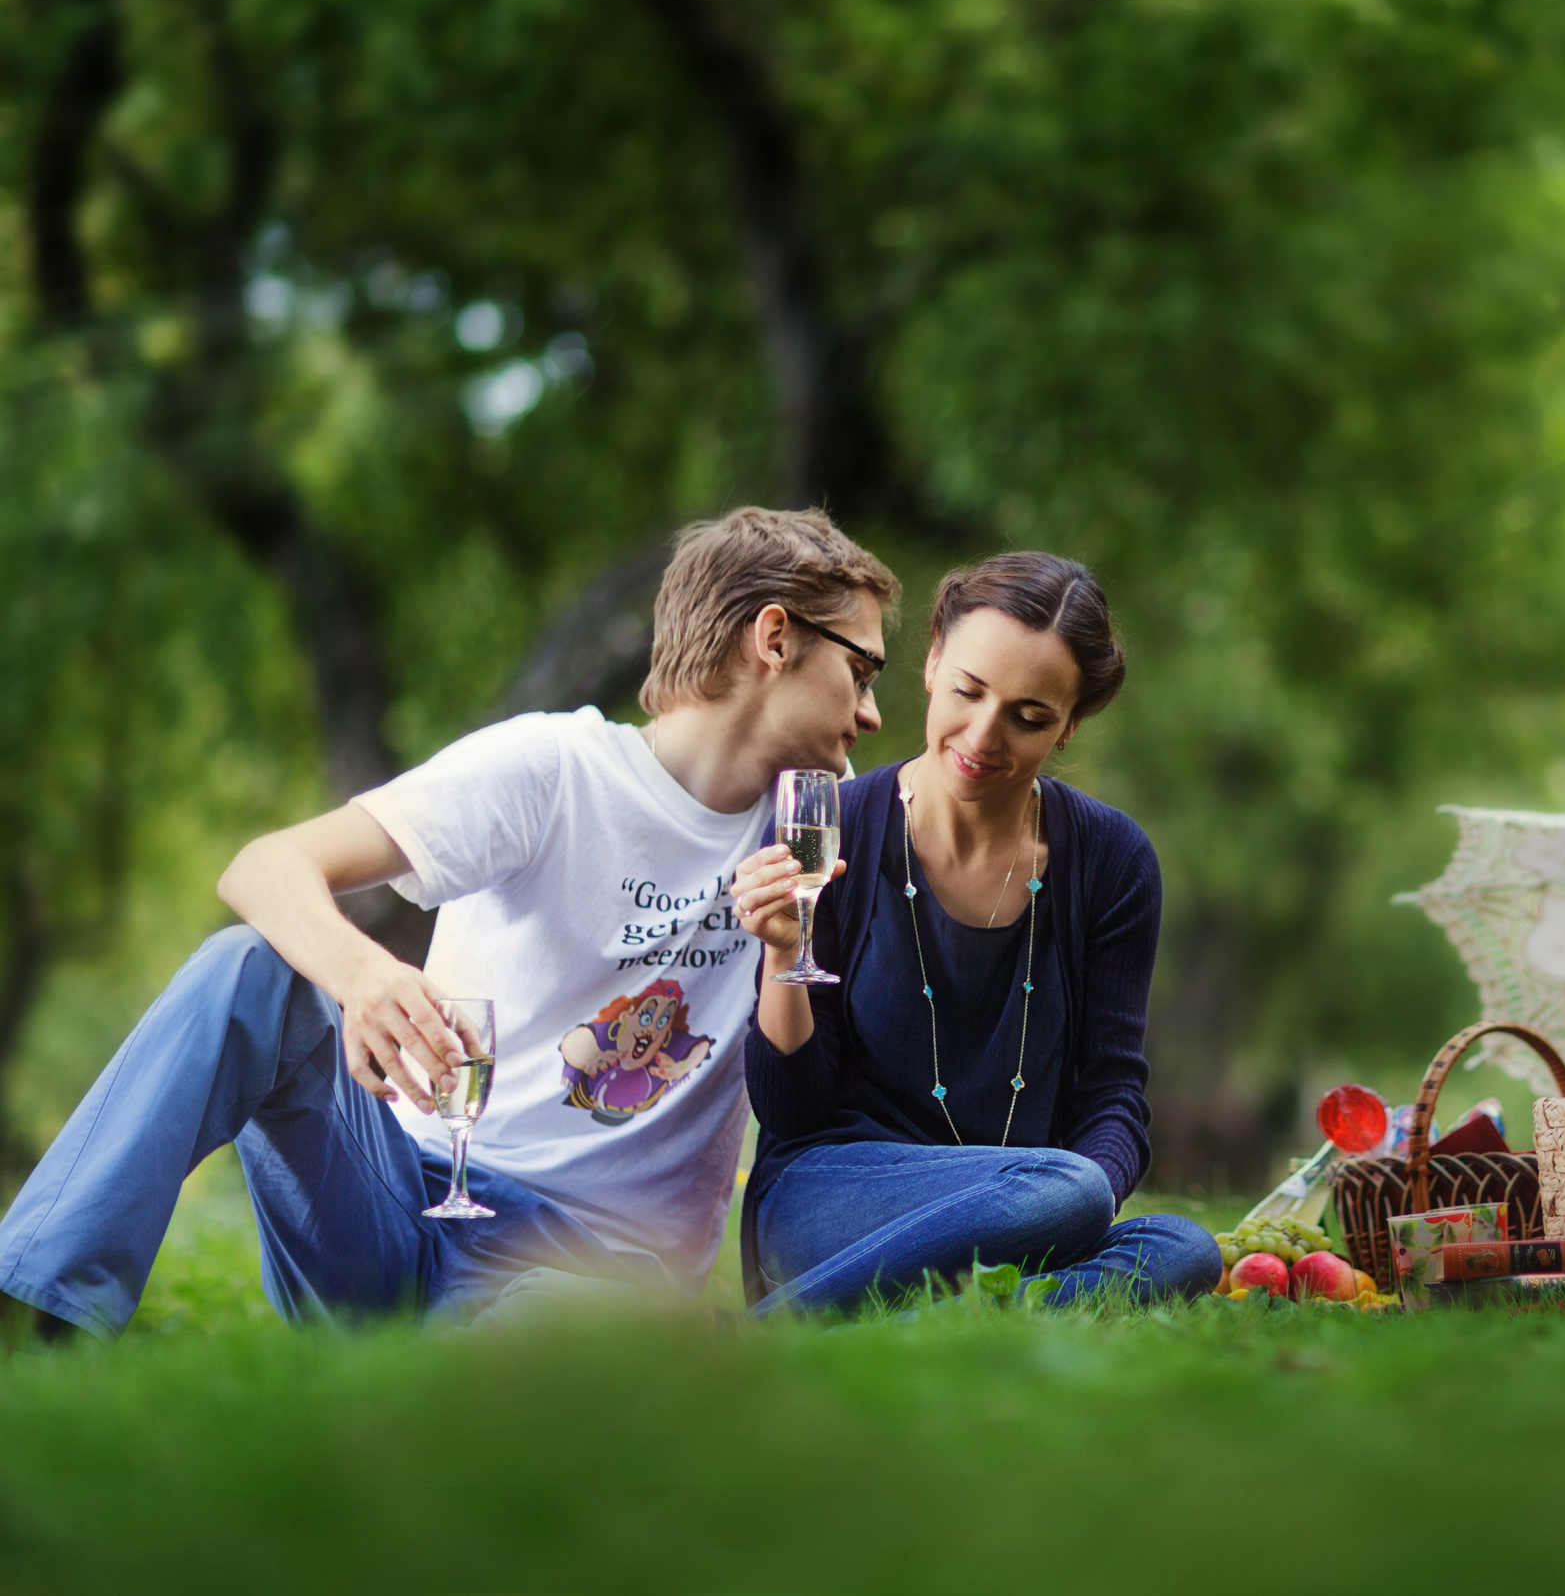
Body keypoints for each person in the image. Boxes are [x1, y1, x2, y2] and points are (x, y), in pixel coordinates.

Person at [0, 507, 898, 1338]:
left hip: (588, 1275)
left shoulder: (814, 837)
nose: (872, 710)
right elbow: (264, 866)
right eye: (860, 668)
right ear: (775, 637)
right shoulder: (553, 767)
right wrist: (364, 977)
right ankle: (40, 1318)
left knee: (528, 1364)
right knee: (249, 968)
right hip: (398, 1205)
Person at [734, 552, 1219, 1312]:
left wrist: (1066, 1206)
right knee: (1073, 1190)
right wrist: (783, 954)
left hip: (1031, 1204)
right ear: (931, 663)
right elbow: (791, 1112)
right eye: (968, 690)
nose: (984, 736)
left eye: (1029, 717)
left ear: (1069, 727)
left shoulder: (1112, 862)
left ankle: (887, 1315)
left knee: (1184, 1247)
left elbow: (1114, 1096)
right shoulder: (828, 826)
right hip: (830, 1202)